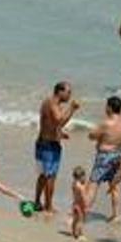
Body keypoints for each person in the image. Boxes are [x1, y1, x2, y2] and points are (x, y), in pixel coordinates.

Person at [34, 81, 79, 213]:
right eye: (68, 92)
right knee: (50, 176)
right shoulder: (52, 103)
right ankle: (48, 207)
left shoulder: (50, 102)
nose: (70, 95)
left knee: (43, 175)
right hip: (49, 146)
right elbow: (59, 120)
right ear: (60, 91)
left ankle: (37, 202)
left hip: (43, 142)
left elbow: (50, 123)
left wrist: (59, 133)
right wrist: (72, 108)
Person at [87, 96, 121, 221]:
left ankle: (84, 210)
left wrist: (98, 136)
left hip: (105, 156)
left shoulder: (106, 123)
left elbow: (91, 135)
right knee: (114, 186)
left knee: (93, 184)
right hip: (119, 155)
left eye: (106, 106)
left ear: (110, 108)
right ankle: (115, 214)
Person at [68, 166, 92, 240]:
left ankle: (73, 232)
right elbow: (83, 197)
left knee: (75, 219)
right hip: (80, 206)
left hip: (74, 204)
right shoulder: (81, 187)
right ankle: (80, 234)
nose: (85, 178)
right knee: (81, 220)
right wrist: (86, 206)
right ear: (81, 177)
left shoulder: (74, 184)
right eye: (84, 176)